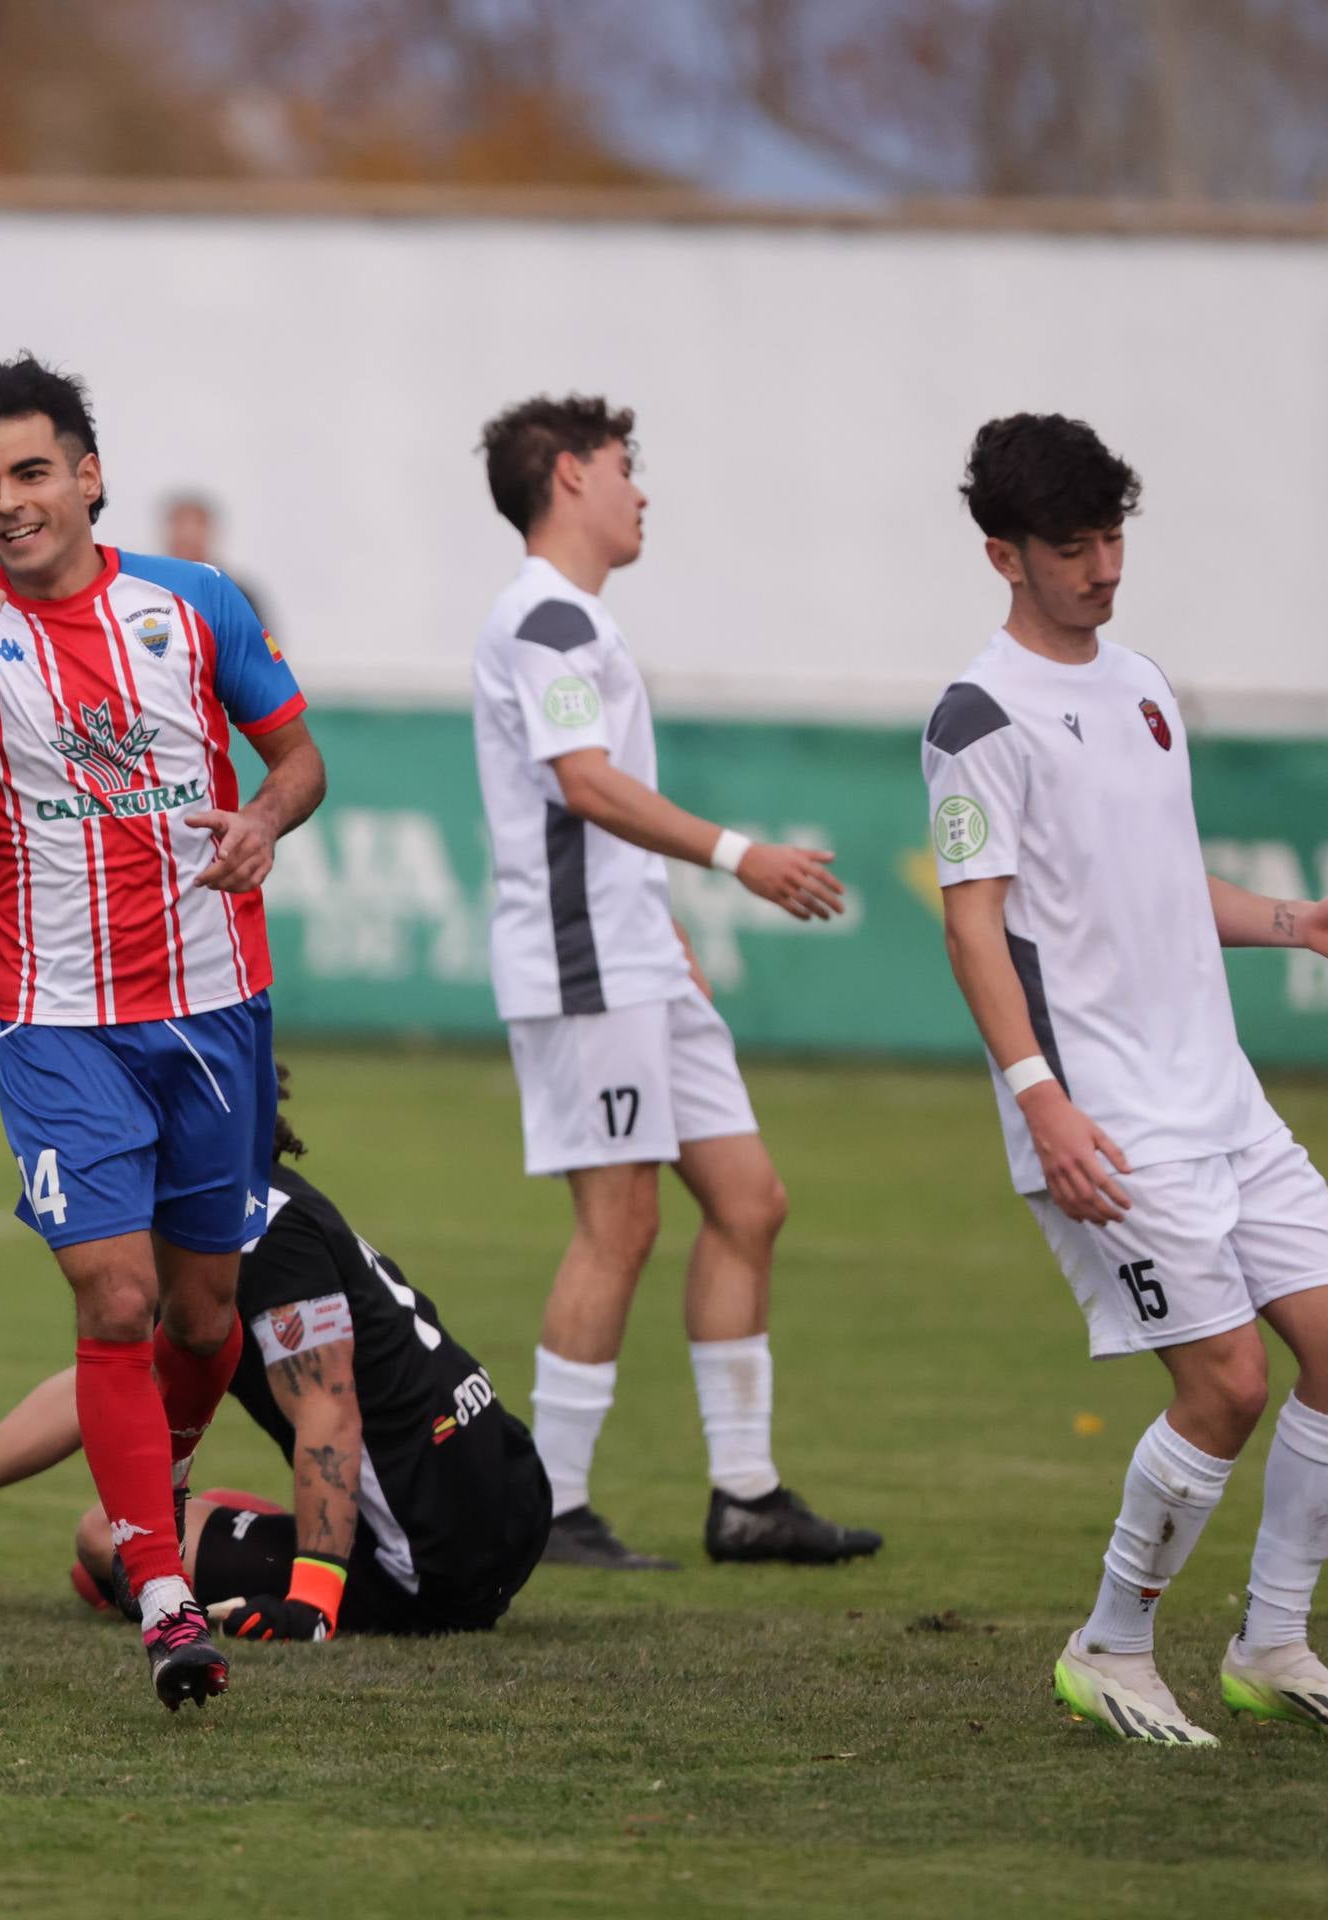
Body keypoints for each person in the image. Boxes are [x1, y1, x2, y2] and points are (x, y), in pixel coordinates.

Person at [924, 414, 1328, 1746]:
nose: (1101, 566)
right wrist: (1041, 1099)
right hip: (1105, 1119)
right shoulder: (978, 718)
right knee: (1228, 1388)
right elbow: (974, 924)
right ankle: (1112, 1646)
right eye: (1070, 546)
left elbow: (1157, 888)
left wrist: (1298, 922)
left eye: (1112, 536)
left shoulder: (1139, 685)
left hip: (1223, 1098)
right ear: (1003, 556)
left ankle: (1272, 1643)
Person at [0, 353, 327, 1709]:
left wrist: (261, 820)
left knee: (201, 1313)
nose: (7, 503)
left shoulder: (193, 605)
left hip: (213, 1010)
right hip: (58, 1020)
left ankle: (155, 1487)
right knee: (115, 1297)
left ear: (87, 475)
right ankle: (165, 1591)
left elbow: (300, 757)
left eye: (29, 473)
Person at [467, 395, 880, 1573]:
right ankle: (547, 1509)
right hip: (584, 965)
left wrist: (669, 931)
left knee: (749, 1202)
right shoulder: (542, 617)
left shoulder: (575, 618)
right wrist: (741, 858)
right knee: (621, 1221)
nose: (641, 490)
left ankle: (746, 1498)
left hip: (638, 956)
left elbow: (595, 804)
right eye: (624, 466)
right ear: (566, 476)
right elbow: (585, 785)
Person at [0, 1084, 549, 1640]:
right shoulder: (244, 1210)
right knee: (149, 1521)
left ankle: (332, 1573)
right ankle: (301, 1553)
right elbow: (110, 1385)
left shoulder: (257, 1235)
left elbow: (329, 1406)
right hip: (509, 1487)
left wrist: (313, 1605)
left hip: (434, 1555)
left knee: (103, 1547)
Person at [158, 492, 275, 636]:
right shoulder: (149, 590)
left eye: (195, 526)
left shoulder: (236, 594)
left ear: (210, 533)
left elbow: (261, 651)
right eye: (180, 525)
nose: (187, 534)